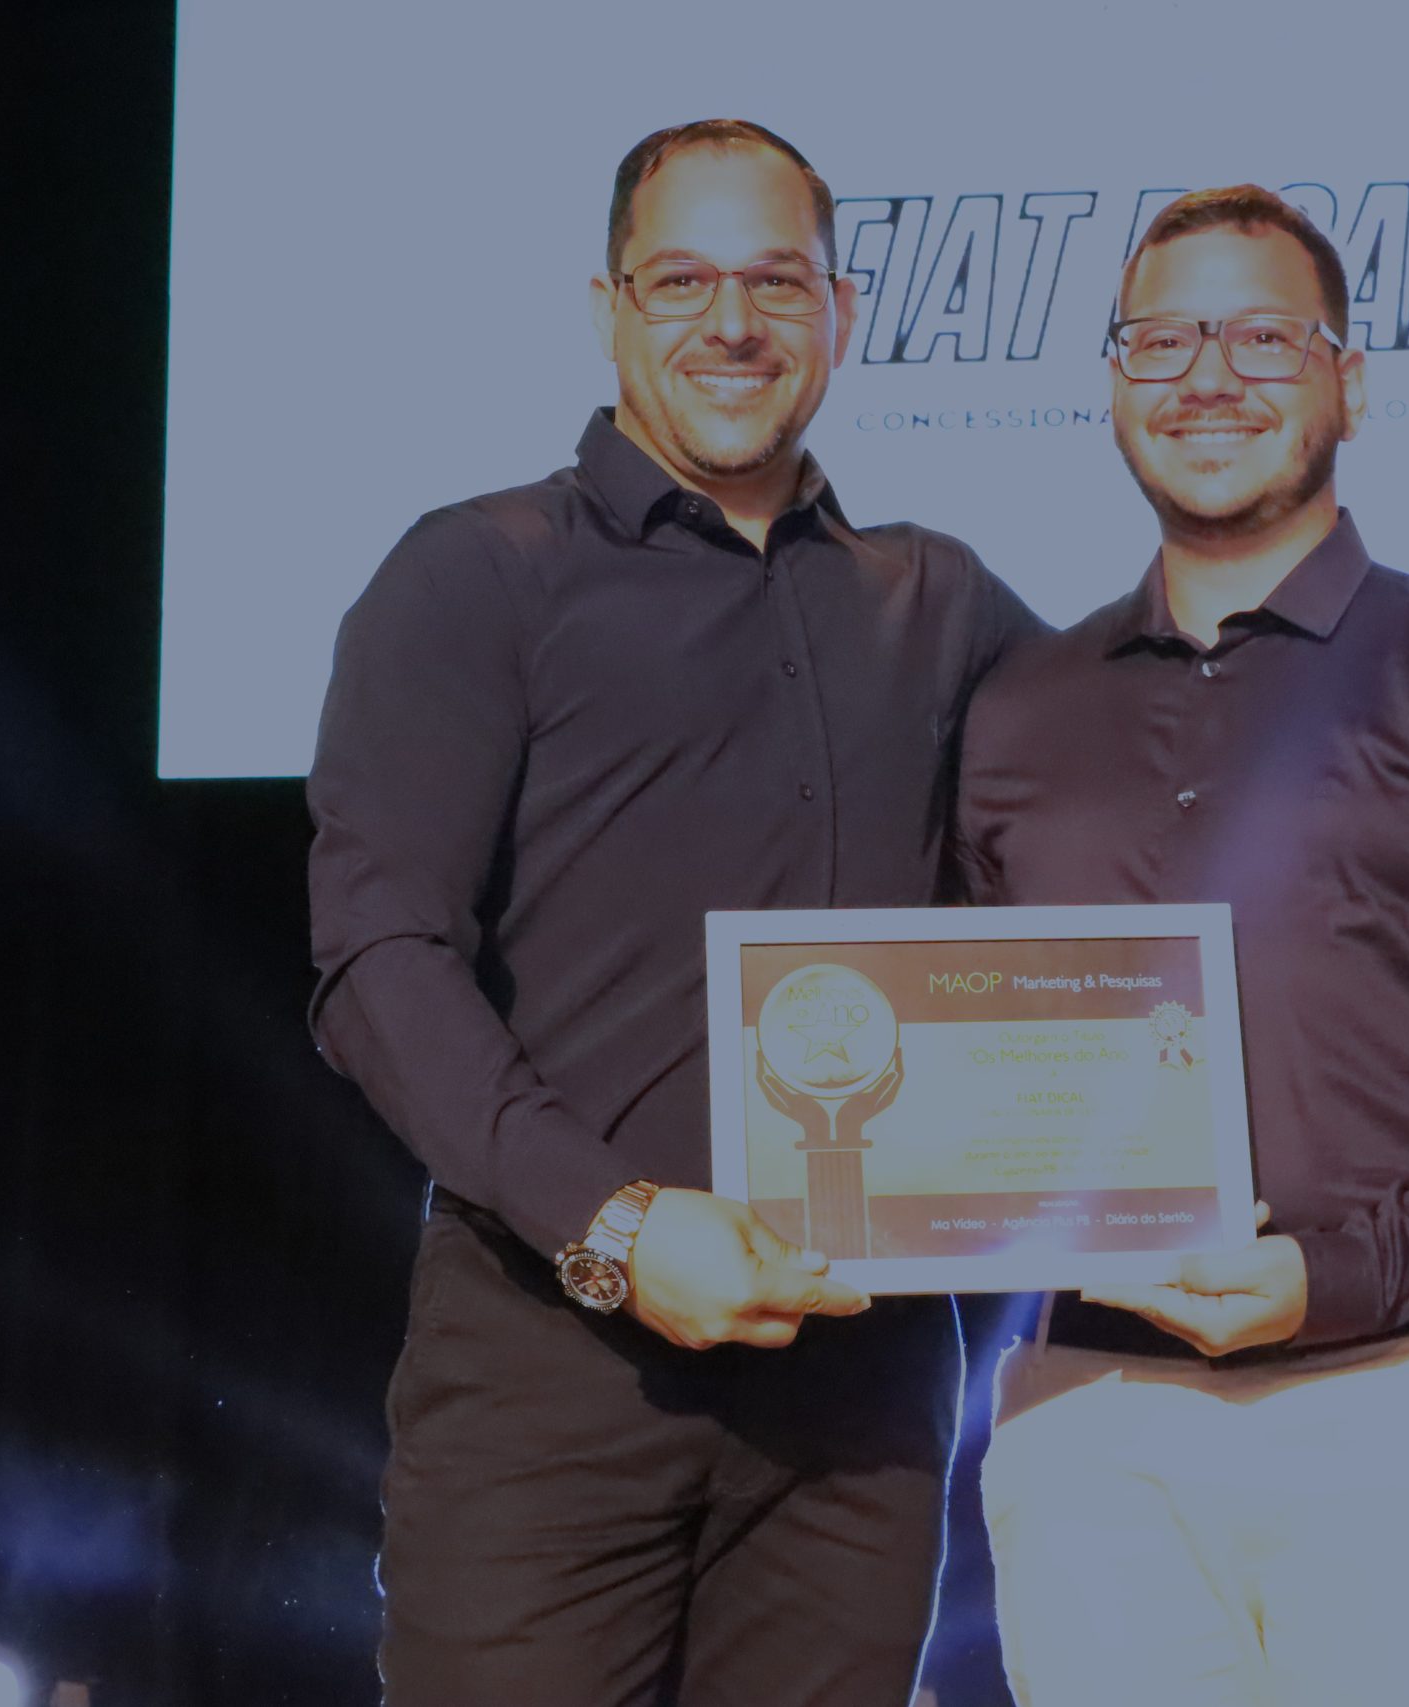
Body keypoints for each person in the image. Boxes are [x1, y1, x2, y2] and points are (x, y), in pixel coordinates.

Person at [305, 119, 1037, 1705]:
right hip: (554, 1369)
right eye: (682, 280)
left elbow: (1148, 789)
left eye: (777, 281)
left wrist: (1408, 658)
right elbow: (378, 964)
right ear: (608, 309)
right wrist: (618, 1227)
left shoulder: (941, 601)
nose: (733, 322)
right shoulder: (475, 577)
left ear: (841, 313)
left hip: (857, 1405)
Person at [956, 186, 1409, 1707]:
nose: (1206, 378)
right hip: (1092, 1426)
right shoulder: (1018, 709)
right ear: (1111, 383)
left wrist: (1337, 1275)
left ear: (1348, 379)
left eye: (1261, 338)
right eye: (1161, 341)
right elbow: (957, 1056)